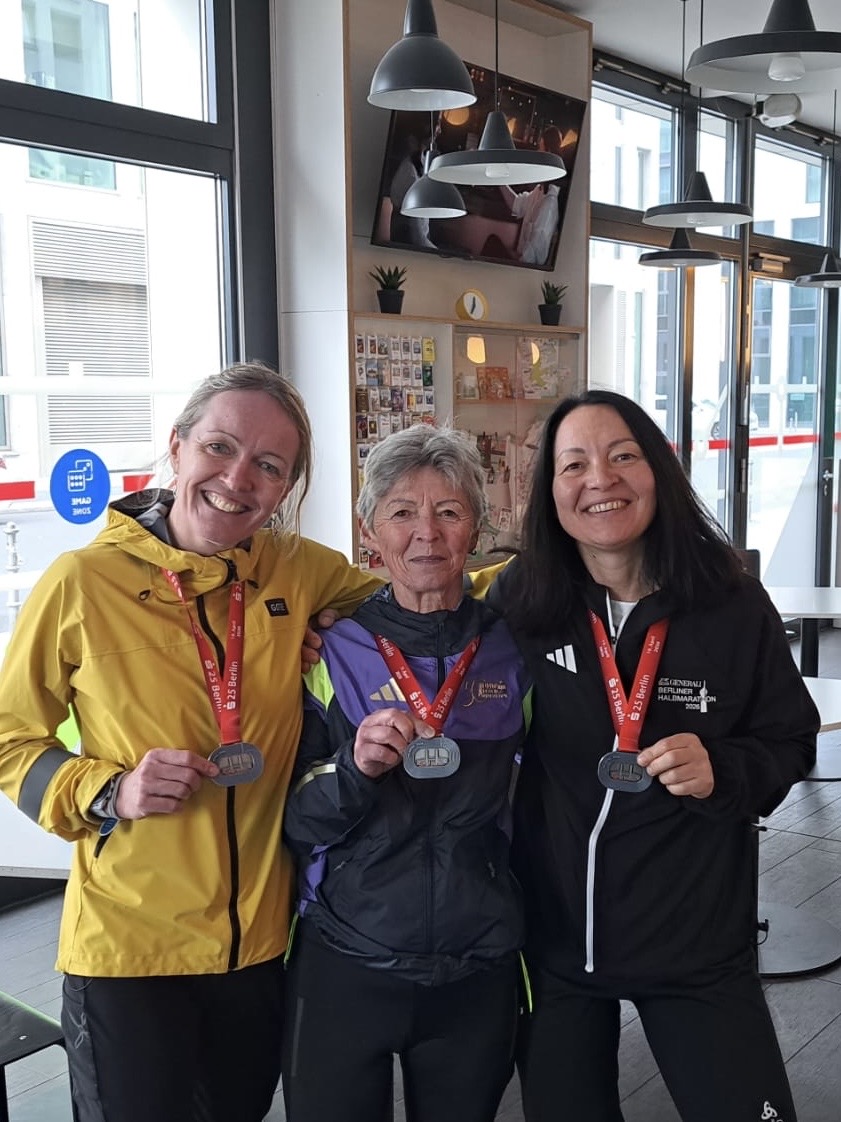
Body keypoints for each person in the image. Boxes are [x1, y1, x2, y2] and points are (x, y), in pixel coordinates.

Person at [0, 362, 382, 1122]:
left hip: (257, 947)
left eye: (269, 465)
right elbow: (10, 738)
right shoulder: (82, 582)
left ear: (286, 488)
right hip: (129, 950)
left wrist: (336, 629)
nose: (238, 479)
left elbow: (420, 605)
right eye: (219, 447)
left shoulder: (298, 570)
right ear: (176, 447)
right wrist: (110, 791)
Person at [481, 388, 818, 1122]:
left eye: (622, 455)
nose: (599, 479)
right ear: (551, 492)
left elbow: (791, 737)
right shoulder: (523, 599)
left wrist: (724, 769)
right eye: (573, 464)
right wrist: (333, 626)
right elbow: (439, 648)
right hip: (558, 948)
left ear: (658, 471)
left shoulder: (730, 601)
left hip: (695, 946)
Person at [282, 424, 531, 1122]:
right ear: (370, 533)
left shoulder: (515, 650)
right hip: (346, 956)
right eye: (401, 512)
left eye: (449, 511)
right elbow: (295, 820)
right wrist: (353, 768)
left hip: (479, 961)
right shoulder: (329, 649)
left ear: (476, 528)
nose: (427, 532)